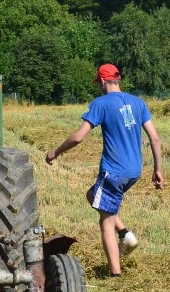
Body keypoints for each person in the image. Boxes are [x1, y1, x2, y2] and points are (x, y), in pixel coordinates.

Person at [45, 64, 163, 277]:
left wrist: (56, 151)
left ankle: (115, 273)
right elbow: (154, 137)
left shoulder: (100, 104)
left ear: (102, 81)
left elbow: (79, 137)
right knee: (93, 195)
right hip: (134, 171)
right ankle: (126, 233)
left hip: (113, 171)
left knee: (106, 222)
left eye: (97, 82)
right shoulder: (138, 102)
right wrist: (158, 169)